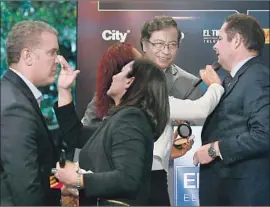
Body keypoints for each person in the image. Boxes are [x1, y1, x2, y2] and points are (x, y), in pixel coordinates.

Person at [53, 57, 170, 205]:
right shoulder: (120, 119)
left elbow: (127, 178)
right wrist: (64, 89)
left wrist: (78, 179)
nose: (114, 76)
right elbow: (76, 135)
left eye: (121, 72)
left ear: (130, 81)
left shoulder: (131, 119)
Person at [193, 13, 269, 206]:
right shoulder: (236, 79)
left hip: (242, 196)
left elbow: (264, 134)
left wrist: (214, 149)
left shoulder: (257, 77)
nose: (214, 45)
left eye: (219, 39)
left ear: (236, 41)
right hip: (227, 193)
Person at [1, 20, 61, 205]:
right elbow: (25, 184)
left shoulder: (14, 94)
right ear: (27, 56)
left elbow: (43, 165)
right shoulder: (15, 106)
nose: (58, 60)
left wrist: (58, 186)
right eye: (52, 53)